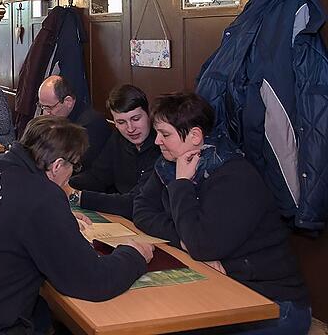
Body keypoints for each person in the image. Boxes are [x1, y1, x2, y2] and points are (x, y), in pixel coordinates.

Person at [0, 115, 154, 335]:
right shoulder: (42, 197)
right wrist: (133, 255)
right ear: (58, 165)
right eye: (74, 166)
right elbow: (93, 282)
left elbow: (9, 215)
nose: (72, 174)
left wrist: (61, 219)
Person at [133, 92, 311, 335]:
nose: (157, 142)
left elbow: (202, 246)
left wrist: (182, 185)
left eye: (165, 135)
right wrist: (184, 239)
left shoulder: (234, 176)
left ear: (195, 136)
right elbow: (142, 211)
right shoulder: (168, 164)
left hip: (275, 305)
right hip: (223, 285)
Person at [67, 84, 160, 219]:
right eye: (121, 122)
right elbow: (98, 176)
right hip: (121, 218)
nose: (130, 128)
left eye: (135, 119)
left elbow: (135, 201)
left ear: (149, 115)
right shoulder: (118, 138)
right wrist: (64, 184)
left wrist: (76, 196)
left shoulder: (161, 146)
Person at [37, 75, 111, 170]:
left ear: (68, 101)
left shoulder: (91, 125)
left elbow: (79, 168)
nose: (45, 113)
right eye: (42, 106)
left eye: (49, 108)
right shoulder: (54, 119)